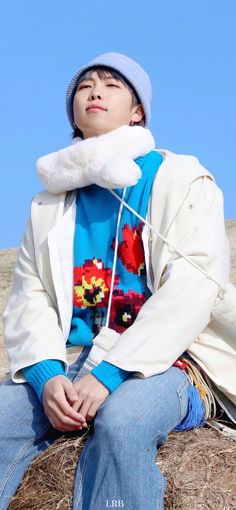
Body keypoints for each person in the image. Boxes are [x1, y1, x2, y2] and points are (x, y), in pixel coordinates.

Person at [1, 51, 235, 510]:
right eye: (85, 86)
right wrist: (48, 375)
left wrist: (111, 373)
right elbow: (30, 295)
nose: (95, 91)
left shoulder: (182, 177)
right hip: (70, 359)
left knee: (122, 423)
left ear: (138, 111)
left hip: (170, 362)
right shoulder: (48, 204)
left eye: (112, 85)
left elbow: (193, 284)